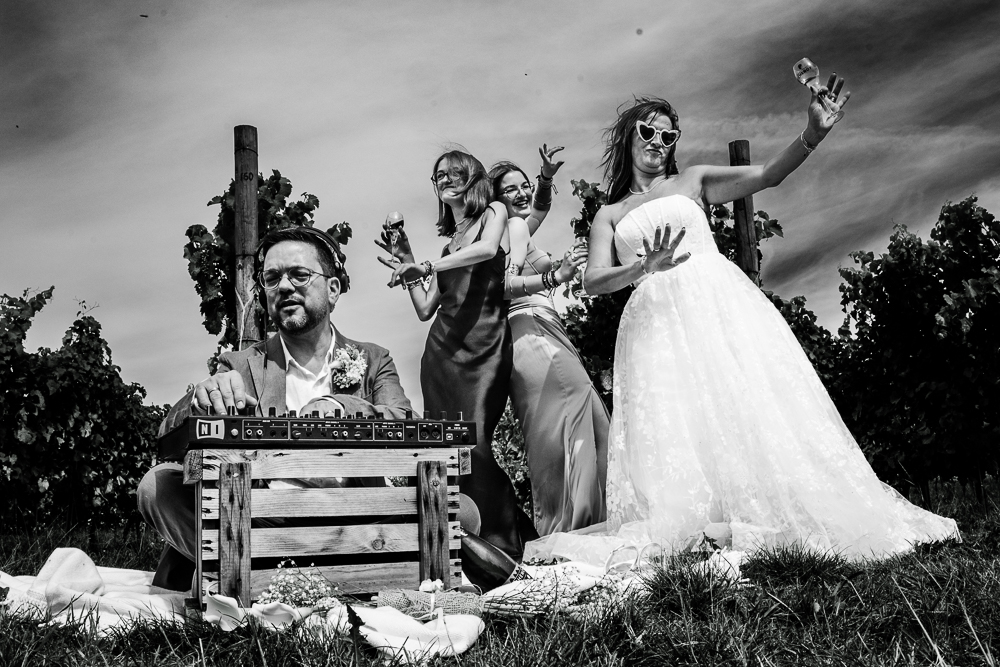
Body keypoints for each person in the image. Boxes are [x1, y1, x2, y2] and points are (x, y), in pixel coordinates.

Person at [526, 80, 960, 566]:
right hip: (653, 325)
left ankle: (760, 516)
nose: (657, 142)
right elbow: (593, 280)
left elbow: (769, 174)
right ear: (629, 136)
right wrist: (641, 267)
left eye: (668, 136)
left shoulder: (693, 180)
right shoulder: (609, 214)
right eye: (648, 131)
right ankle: (695, 526)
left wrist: (812, 135)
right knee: (675, 421)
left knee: (742, 402)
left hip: (715, 302)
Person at [138, 226, 413, 591]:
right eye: (272, 278)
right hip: (263, 522)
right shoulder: (240, 365)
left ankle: (274, 579)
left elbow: (403, 421)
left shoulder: (373, 359)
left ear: (333, 290)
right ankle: (321, 576)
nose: (284, 287)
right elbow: (167, 439)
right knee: (157, 487)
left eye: (299, 275)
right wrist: (199, 399)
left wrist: (340, 405)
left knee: (463, 510)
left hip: (358, 520)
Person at [377, 149, 538, 564]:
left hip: (485, 348)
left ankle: (510, 543)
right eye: (439, 176)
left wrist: (428, 264)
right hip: (441, 355)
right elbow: (425, 308)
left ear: (473, 177)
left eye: (454, 172)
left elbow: (486, 250)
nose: (445, 179)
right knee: (450, 451)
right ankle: (465, 549)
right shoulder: (448, 245)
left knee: (477, 443)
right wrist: (408, 260)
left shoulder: (493, 213)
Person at [488, 149, 610, 535]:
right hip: (532, 333)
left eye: (523, 185)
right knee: (567, 421)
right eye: (511, 190)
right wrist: (555, 276)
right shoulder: (504, 233)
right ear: (495, 201)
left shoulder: (517, 228)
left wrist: (543, 179)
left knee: (581, 420)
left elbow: (538, 208)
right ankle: (575, 526)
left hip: (544, 330)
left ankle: (591, 521)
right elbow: (502, 286)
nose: (521, 193)